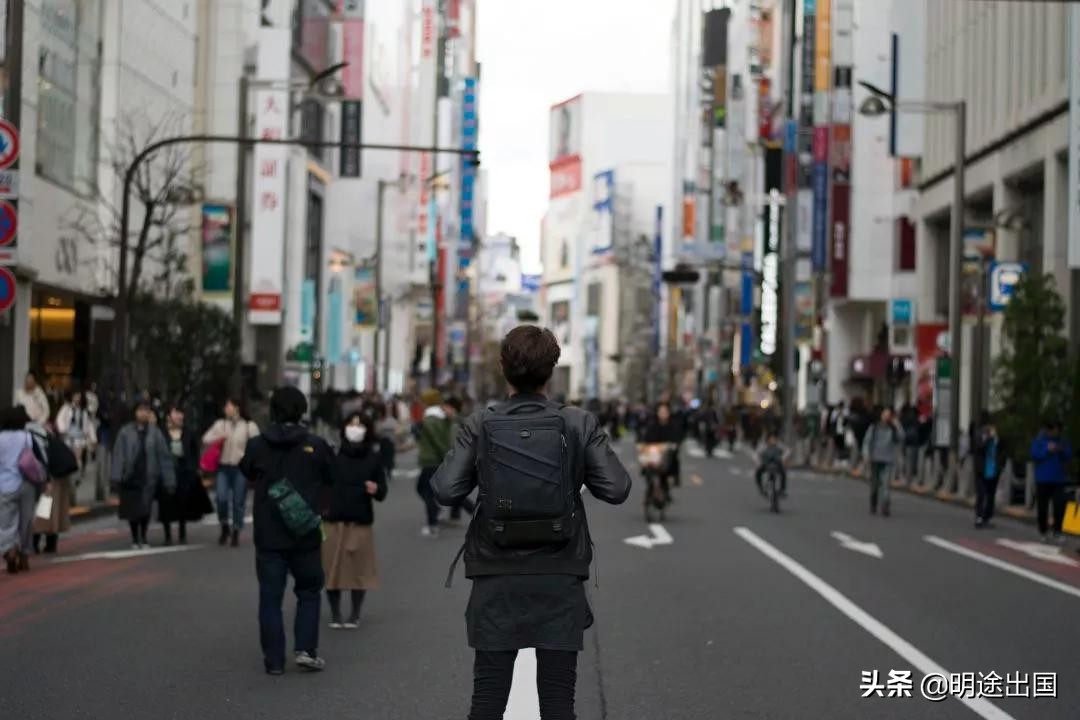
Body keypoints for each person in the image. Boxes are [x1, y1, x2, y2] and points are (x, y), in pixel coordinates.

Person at [432, 325, 632, 720]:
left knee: (487, 702)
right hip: (559, 573)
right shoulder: (577, 422)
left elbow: (446, 489)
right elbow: (616, 487)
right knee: (559, 704)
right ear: (551, 370)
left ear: (503, 368)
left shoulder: (480, 424)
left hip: (495, 571)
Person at [239, 386, 334, 675]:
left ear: (273, 410)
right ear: (302, 411)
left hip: (268, 533)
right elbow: (332, 477)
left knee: (270, 597)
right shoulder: (316, 445)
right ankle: (305, 649)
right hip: (304, 531)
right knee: (308, 590)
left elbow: (248, 472)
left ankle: (274, 661)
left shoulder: (257, 445)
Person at [322, 413, 387, 629]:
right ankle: (335, 614)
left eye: (359, 425)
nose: (354, 428)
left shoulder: (373, 458)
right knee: (332, 567)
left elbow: (382, 491)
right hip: (333, 520)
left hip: (360, 520)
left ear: (367, 430)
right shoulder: (334, 456)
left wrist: (375, 489)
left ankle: (355, 613)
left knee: (359, 570)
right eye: (351, 424)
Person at [111, 401, 176, 548]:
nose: (143, 413)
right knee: (132, 510)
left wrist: (169, 480)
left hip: (149, 475)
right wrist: (116, 476)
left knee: (146, 507)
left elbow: (164, 457)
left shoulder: (155, 432)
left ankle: (144, 536)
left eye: (146, 410)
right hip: (130, 476)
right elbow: (119, 455)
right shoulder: (125, 432)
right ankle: (135, 537)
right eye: (140, 410)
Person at [202, 398, 260, 547]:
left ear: (237, 407)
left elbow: (258, 445)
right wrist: (219, 436)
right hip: (223, 467)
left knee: (238, 500)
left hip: (240, 468)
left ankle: (236, 530)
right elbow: (205, 438)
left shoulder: (249, 426)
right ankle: (224, 525)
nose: (226, 409)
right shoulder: (221, 424)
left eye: (228, 406)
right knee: (221, 498)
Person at [159, 405, 213, 545]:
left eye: (181, 413)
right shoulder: (161, 433)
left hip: (184, 472)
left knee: (182, 503)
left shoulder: (189, 432)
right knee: (166, 504)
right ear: (168, 416)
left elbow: (195, 452)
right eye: (176, 413)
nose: (180, 416)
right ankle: (167, 535)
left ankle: (182, 533)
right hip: (167, 472)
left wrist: (195, 468)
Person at [0, 406, 44, 573]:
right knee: (26, 521)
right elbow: (36, 458)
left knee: (6, 523)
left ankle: (10, 550)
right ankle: (24, 553)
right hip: (26, 484)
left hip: (4, 485)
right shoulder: (26, 437)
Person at [416, 388, 452, 538]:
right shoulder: (442, 417)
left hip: (431, 460)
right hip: (436, 459)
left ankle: (433, 524)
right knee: (424, 489)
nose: (421, 403)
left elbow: (436, 440)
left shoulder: (430, 419)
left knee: (424, 490)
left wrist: (445, 457)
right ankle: (436, 515)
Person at [1030, 418, 1073, 543]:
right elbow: (1034, 455)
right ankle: (1043, 531)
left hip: (1058, 480)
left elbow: (1068, 456)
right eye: (1052, 429)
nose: (1054, 432)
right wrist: (1047, 450)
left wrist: (1061, 450)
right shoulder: (1039, 441)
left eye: (1056, 430)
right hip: (1042, 479)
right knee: (1042, 507)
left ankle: (1057, 531)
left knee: (1059, 507)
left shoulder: (1063, 442)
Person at [641, 402, 682, 506]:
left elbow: (677, 439)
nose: (663, 414)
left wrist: (673, 446)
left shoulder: (673, 425)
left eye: (665, 412)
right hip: (653, 454)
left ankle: (666, 490)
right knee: (648, 468)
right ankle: (650, 490)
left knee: (669, 468)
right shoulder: (652, 425)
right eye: (661, 412)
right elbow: (646, 439)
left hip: (667, 455)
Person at [863, 407, 901, 517]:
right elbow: (867, 441)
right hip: (875, 459)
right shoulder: (874, 427)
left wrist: (897, 425)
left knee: (886, 484)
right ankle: (873, 503)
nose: (886, 417)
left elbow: (901, 438)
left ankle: (885, 505)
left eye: (889, 415)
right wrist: (866, 455)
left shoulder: (893, 428)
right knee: (874, 484)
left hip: (887, 460)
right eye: (885, 414)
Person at [55, 389, 97, 483]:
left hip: (80, 437)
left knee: (78, 457)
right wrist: (63, 430)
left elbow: (89, 425)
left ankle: (76, 476)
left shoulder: (84, 410)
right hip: (68, 437)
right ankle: (68, 475)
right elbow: (59, 419)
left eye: (79, 396)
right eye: (75, 396)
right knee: (68, 457)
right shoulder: (66, 408)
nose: (77, 398)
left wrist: (93, 438)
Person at [972, 416, 1006, 529]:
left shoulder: (997, 436)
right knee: (981, 494)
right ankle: (979, 516)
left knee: (991, 494)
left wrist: (995, 438)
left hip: (994, 469)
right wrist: (987, 438)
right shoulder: (979, 435)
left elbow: (1002, 448)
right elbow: (979, 447)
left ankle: (987, 517)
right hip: (982, 469)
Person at [754, 431, 788, 497]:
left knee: (783, 473)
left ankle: (782, 490)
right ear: (767, 439)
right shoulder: (763, 446)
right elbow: (756, 454)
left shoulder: (779, 445)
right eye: (771, 439)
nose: (772, 440)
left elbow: (787, 451)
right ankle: (761, 488)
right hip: (766, 464)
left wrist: (783, 458)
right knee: (758, 472)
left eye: (774, 439)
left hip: (777, 464)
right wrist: (758, 462)